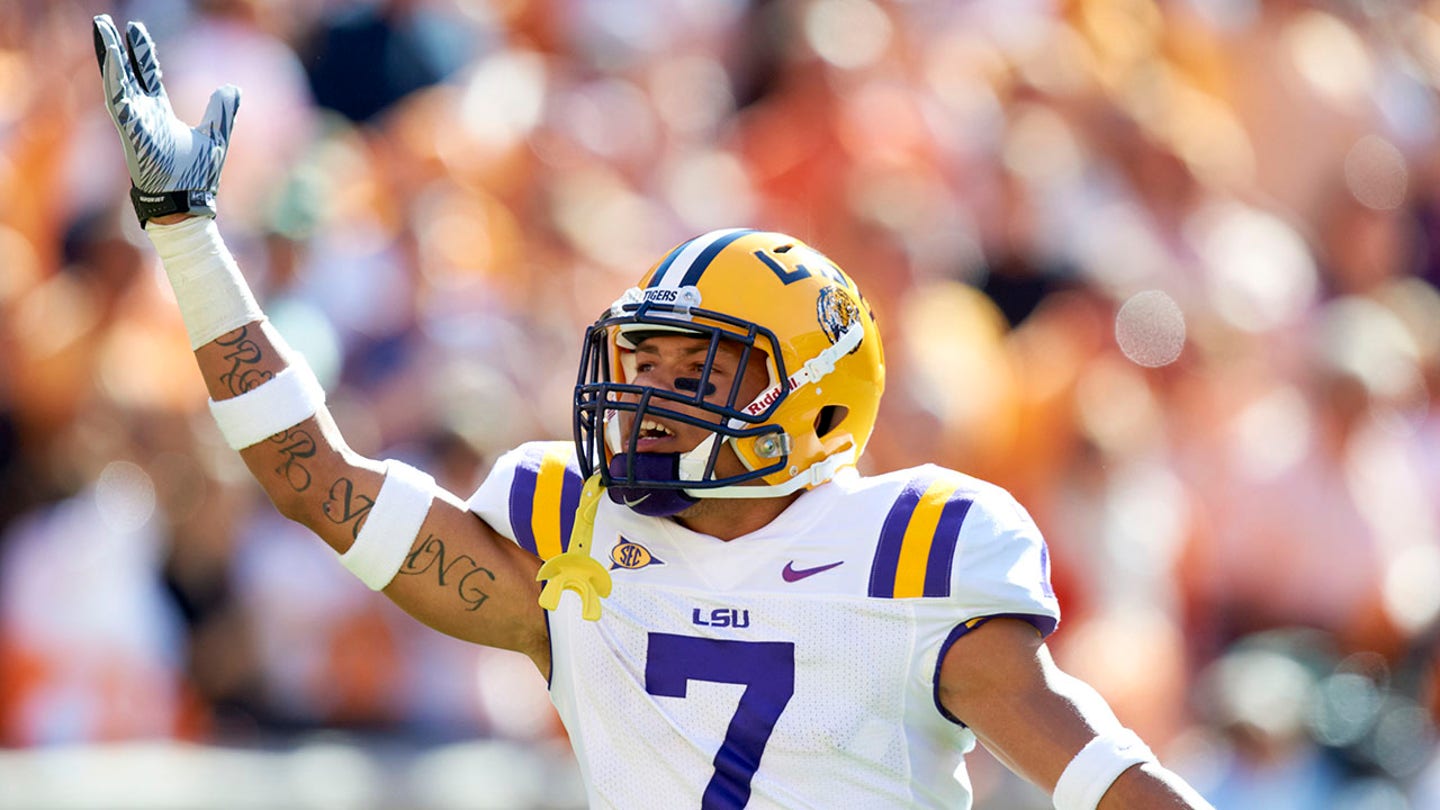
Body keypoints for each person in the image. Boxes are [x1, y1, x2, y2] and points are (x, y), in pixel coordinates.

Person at [92, 14, 1213, 809]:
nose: (651, 400)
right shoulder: (569, 535)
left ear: (816, 405)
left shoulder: (912, 556)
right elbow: (312, 479)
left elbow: (1098, 777)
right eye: (644, 360)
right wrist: (188, 237)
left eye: (698, 370)